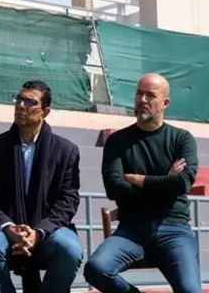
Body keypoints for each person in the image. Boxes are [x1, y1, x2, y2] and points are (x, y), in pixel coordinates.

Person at [83, 73, 200, 293]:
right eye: (139, 93)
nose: (142, 99)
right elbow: (113, 188)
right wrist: (165, 182)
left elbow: (183, 183)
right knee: (95, 269)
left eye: (150, 95)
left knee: (190, 290)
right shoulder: (117, 141)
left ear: (165, 103)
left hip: (173, 228)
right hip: (131, 229)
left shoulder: (182, 139)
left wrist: (140, 180)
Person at [0, 80, 84, 293]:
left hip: (49, 228)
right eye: (18, 99)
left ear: (45, 112)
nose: (21, 106)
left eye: (30, 102)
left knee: (70, 249)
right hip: (3, 227)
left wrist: (39, 232)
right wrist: (9, 228)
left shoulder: (66, 151)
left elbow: (69, 201)